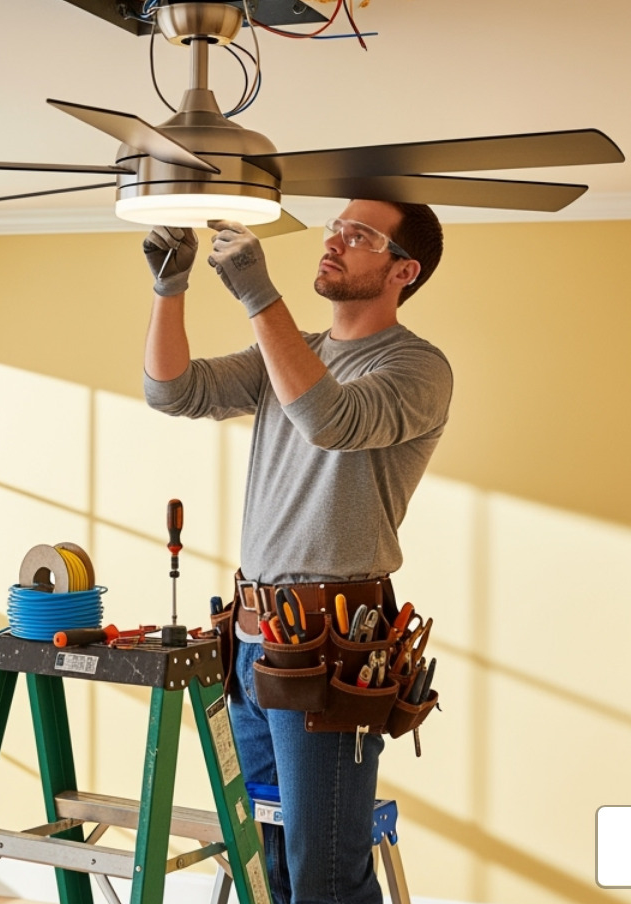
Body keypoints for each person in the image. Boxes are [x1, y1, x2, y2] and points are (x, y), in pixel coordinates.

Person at [140, 200, 452, 904]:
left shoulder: (418, 368)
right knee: (268, 862)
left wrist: (258, 293)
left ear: (404, 270)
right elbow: (172, 391)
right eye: (336, 227)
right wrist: (169, 289)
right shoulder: (289, 352)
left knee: (325, 875)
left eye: (361, 235)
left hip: (328, 652)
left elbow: (329, 418)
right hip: (252, 641)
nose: (335, 241)